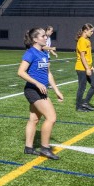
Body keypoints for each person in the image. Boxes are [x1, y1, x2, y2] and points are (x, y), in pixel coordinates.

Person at [17, 28, 64, 160]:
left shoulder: (43, 53)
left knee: (34, 119)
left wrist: (56, 90)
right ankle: (45, 148)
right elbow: (21, 72)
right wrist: (37, 83)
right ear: (35, 39)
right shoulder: (30, 53)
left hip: (42, 90)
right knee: (51, 118)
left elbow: (48, 74)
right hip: (33, 90)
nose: (46, 37)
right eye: (43, 36)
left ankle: (28, 148)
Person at [74, 23, 94, 112]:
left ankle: (85, 103)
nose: (92, 33)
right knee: (82, 87)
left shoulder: (87, 40)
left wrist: (91, 67)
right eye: (91, 31)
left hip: (87, 67)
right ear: (85, 30)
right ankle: (78, 106)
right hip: (81, 68)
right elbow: (82, 56)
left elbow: (88, 56)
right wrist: (87, 68)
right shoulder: (82, 41)